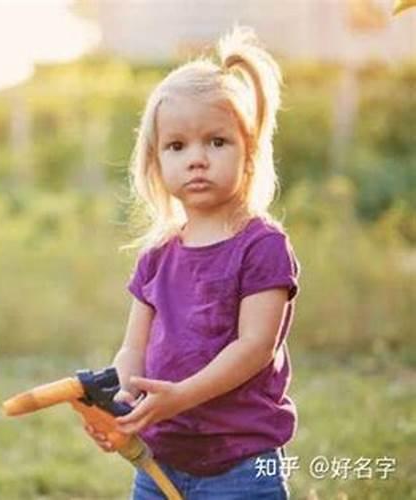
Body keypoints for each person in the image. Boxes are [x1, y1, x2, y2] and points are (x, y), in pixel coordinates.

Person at [85, 26, 300, 499]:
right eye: (177, 146)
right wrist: (124, 404)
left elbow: (255, 347)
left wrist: (179, 397)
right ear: (155, 161)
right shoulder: (158, 256)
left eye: (217, 142)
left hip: (242, 464)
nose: (197, 159)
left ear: (248, 153)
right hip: (161, 460)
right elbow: (132, 351)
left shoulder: (261, 246)